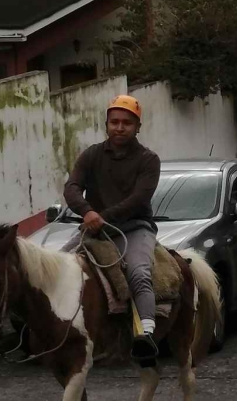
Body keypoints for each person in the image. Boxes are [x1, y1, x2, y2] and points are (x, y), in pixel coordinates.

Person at [63, 94, 163, 362]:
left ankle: (146, 334)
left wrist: (102, 216)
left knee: (139, 273)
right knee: (58, 267)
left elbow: (139, 199)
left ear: (138, 127)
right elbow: (72, 187)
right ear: (106, 124)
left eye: (127, 123)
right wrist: (87, 211)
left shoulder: (149, 160)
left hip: (135, 228)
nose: (119, 127)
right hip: (95, 228)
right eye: (114, 122)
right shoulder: (91, 155)